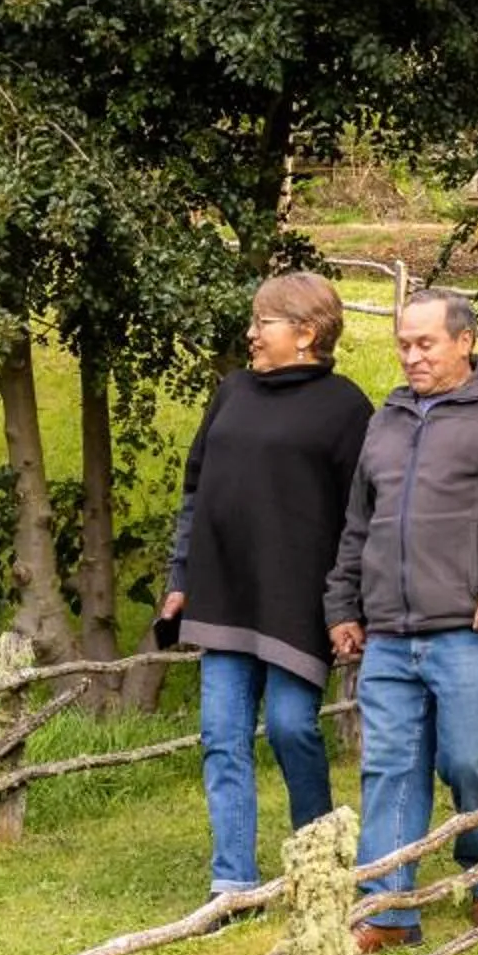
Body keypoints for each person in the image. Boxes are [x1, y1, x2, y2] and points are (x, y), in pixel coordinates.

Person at [324, 289, 478, 955]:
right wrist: (342, 605)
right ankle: (390, 909)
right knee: (390, 768)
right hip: (391, 636)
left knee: (471, 758)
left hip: (474, 629)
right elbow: (359, 524)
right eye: (403, 344)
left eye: (425, 343)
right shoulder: (387, 419)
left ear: (465, 342)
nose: (411, 356)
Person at [161, 271, 375, 911]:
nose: (251, 334)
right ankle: (232, 883)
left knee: (288, 728)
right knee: (222, 736)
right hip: (222, 593)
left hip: (299, 602)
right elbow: (196, 494)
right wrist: (179, 580)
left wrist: (348, 604)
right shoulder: (230, 393)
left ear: (306, 333)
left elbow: (362, 517)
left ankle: (320, 862)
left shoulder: (347, 409)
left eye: (264, 323)